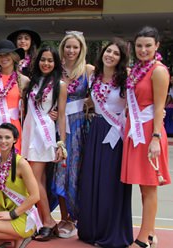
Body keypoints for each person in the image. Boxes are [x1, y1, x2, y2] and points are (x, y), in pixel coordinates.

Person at [77, 38, 133, 247]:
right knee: (92, 180)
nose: (110, 55)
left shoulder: (126, 78)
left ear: (122, 58)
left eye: (116, 53)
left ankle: (111, 232)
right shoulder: (94, 76)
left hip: (116, 133)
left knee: (110, 182)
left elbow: (135, 104)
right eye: (108, 51)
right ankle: (92, 230)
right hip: (97, 130)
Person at [121, 26, 171, 248]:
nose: (143, 50)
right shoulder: (138, 70)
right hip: (135, 131)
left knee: (149, 186)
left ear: (157, 46)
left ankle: (143, 240)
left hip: (149, 132)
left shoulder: (158, 71)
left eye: (148, 45)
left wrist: (155, 138)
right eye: (139, 46)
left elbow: (160, 108)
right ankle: (149, 232)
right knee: (142, 186)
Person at [51, 31, 94, 237]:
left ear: (81, 49)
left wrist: (86, 103)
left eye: (75, 47)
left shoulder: (88, 70)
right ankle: (64, 217)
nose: (71, 51)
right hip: (57, 127)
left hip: (79, 127)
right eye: (68, 46)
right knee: (60, 171)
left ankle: (77, 216)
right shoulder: (54, 69)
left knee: (76, 172)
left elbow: (105, 93)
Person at [22, 46, 67, 241]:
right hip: (29, 131)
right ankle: (42, 220)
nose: (46, 63)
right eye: (43, 59)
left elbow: (62, 116)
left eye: (50, 60)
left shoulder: (60, 84)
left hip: (45, 134)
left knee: (34, 179)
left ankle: (48, 221)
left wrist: (61, 143)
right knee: (37, 180)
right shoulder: (31, 82)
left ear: (55, 63)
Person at [0, 40, 29, 180]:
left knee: (13, 167)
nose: (4, 58)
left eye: (7, 54)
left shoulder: (24, 80)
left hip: (14, 129)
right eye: (0, 55)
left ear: (14, 56)